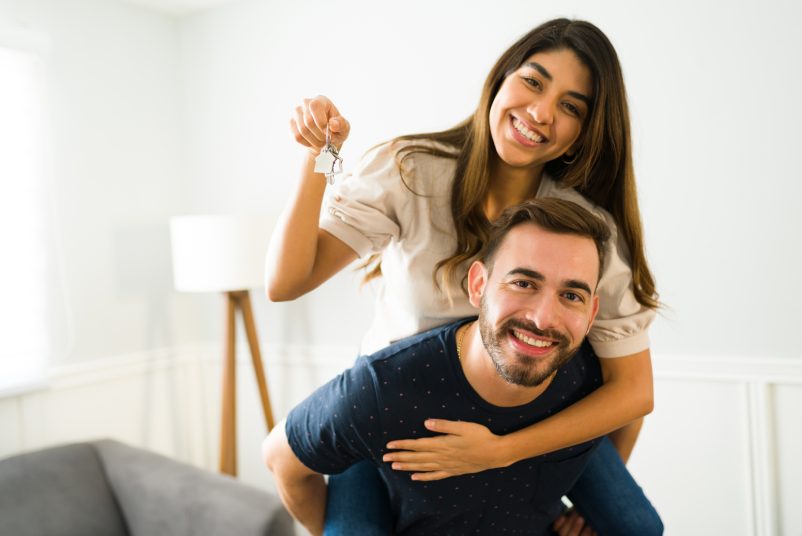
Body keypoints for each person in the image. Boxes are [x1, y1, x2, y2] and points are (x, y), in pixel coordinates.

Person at [266, 17, 662, 536]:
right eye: (533, 81)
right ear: (499, 80)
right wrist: (317, 156)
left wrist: (512, 455)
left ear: (580, 138)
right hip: (397, 407)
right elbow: (286, 282)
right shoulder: (410, 171)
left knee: (635, 525)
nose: (541, 112)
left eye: (571, 107)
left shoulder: (583, 231)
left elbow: (631, 391)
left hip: (527, 407)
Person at [265, 199, 614, 535]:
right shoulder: (386, 387)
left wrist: (587, 514)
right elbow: (281, 457)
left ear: (591, 314)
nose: (543, 319)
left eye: (572, 296)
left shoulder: (594, 381)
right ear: (478, 286)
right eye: (523, 283)